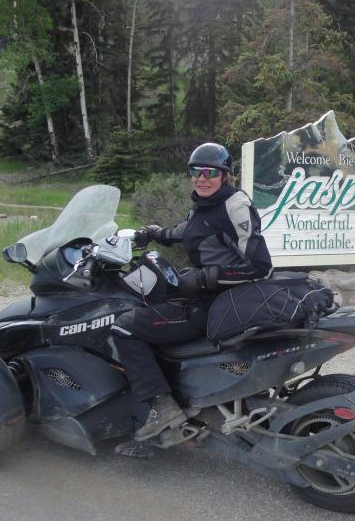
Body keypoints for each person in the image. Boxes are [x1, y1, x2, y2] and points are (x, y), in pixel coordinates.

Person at [111, 142, 273, 457]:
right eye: (196, 171)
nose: (202, 178)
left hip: (218, 306)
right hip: (210, 298)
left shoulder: (234, 206)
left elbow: (259, 267)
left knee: (126, 327)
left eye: (210, 172)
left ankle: (164, 409)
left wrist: (203, 278)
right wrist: (155, 233)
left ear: (226, 175)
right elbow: (192, 231)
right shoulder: (205, 204)